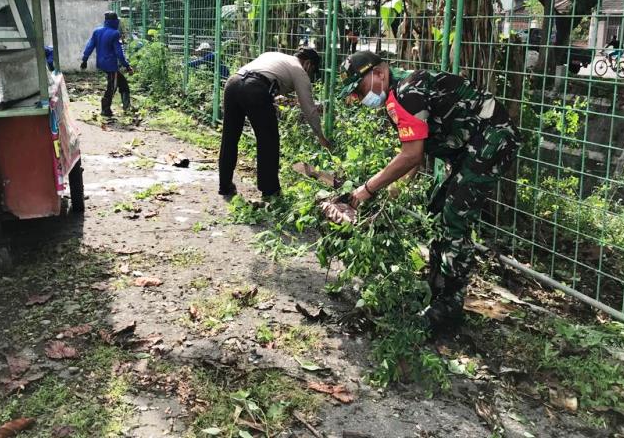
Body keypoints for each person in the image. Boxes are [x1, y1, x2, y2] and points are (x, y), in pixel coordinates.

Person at [337, 52, 520, 329]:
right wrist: (396, 187)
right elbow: (416, 153)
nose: (358, 98)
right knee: (436, 209)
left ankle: (448, 307)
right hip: (471, 145)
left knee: (454, 216)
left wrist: (366, 191)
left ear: (379, 74)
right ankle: (437, 289)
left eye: (359, 89)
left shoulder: (408, 92)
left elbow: (410, 155)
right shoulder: (397, 95)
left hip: (492, 140)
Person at [218, 48, 331, 198]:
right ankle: (270, 190)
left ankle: (225, 186)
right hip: (254, 88)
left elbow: (270, 79)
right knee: (268, 140)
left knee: (229, 138)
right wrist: (321, 136)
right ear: (308, 64)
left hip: (233, 83)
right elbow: (309, 109)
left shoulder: (274, 55)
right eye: (312, 72)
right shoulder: (299, 70)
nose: (310, 75)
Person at [81, 11, 134, 117]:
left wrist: (85, 60)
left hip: (101, 63)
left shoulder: (97, 31)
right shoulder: (115, 33)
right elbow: (120, 52)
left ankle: (127, 107)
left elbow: (89, 46)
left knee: (122, 83)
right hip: (111, 65)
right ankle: (105, 109)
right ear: (115, 21)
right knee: (112, 87)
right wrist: (127, 66)